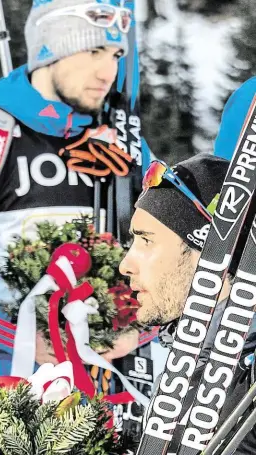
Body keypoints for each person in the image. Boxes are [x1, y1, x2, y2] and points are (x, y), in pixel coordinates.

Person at [0, 0, 145, 386]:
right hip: (0, 391)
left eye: (115, 54)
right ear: (48, 50)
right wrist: (15, 335)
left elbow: (175, 258)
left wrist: (137, 331)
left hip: (110, 388)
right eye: (93, 51)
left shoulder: (125, 145)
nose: (108, 71)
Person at [119, 153, 256, 453]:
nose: (125, 264)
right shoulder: (180, 362)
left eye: (146, 241)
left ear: (207, 251)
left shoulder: (248, 382)